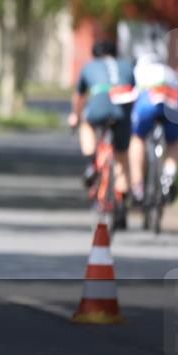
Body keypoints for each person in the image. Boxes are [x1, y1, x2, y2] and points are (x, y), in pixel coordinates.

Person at [68, 39, 137, 228]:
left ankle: (92, 164)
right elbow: (135, 89)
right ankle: (122, 202)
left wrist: (75, 116)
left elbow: (79, 97)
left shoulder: (89, 67)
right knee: (122, 156)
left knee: (86, 124)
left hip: (100, 103)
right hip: (123, 107)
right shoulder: (126, 65)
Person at [129, 51, 178, 204]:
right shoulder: (170, 72)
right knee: (173, 142)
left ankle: (137, 185)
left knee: (137, 137)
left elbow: (133, 97)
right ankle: (168, 176)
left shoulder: (138, 71)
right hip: (172, 99)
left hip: (149, 98)